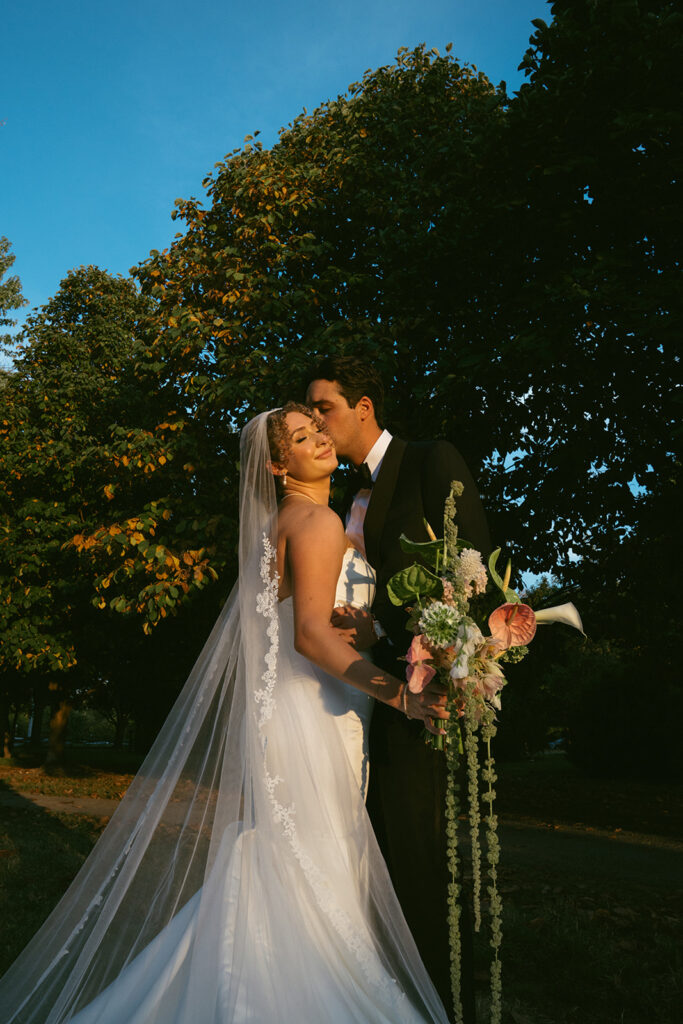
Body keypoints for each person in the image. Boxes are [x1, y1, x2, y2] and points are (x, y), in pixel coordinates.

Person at [0, 403, 451, 1024]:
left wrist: (370, 629)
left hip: (294, 717)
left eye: (318, 428)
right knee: (316, 864)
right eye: (301, 436)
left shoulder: (283, 525)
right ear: (276, 462)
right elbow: (311, 639)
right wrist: (404, 696)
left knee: (290, 860)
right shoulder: (315, 522)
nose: (319, 438)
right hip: (313, 722)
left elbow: (305, 623)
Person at [306, 357, 492, 1022]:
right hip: (371, 697)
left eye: (323, 408)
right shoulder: (345, 496)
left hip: (426, 698)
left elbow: (476, 569)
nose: (316, 423)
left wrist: (430, 652)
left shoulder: (427, 461)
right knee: (375, 864)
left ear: (363, 407)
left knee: (422, 866)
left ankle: (441, 1007)